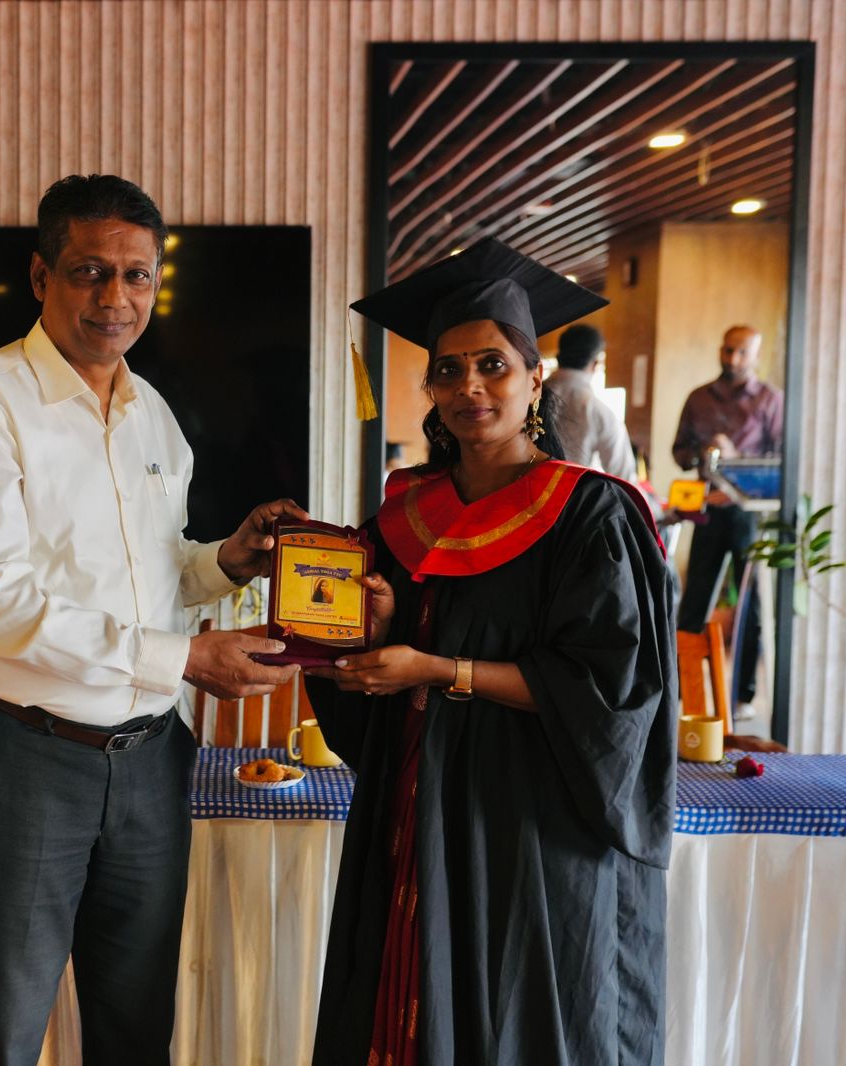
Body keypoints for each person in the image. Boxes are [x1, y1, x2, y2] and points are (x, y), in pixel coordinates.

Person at [0, 174, 304, 1066]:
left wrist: (227, 559)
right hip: (22, 755)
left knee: (136, 1026)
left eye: (137, 275)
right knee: (4, 1028)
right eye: (90, 271)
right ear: (41, 276)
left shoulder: (151, 414)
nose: (116, 297)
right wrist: (182, 659)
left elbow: (152, 573)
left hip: (150, 759)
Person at [305, 238, 676, 1065]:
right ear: (431, 389)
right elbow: (363, 665)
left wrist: (436, 669)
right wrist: (377, 633)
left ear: (535, 378)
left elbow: (608, 690)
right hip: (418, 803)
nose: (469, 387)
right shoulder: (404, 512)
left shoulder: (592, 515)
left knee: (521, 1015)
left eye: (493, 366)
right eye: (448, 370)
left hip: (534, 818)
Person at [671, 324, 783, 721]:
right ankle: (680, 690)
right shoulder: (699, 397)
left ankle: (744, 695)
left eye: (741, 352)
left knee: (749, 603)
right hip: (708, 509)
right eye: (727, 350)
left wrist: (736, 460)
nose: (732, 359)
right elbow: (679, 452)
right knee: (694, 600)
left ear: (756, 356)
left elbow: (779, 460)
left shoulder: (770, 400)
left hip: (748, 514)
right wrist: (703, 453)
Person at [543, 322, 637, 481]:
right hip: (574, 494)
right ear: (595, 364)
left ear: (559, 356)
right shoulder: (599, 412)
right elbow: (624, 477)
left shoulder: (529, 397)